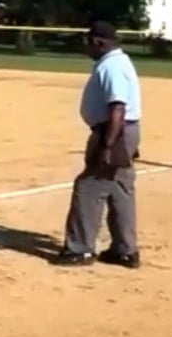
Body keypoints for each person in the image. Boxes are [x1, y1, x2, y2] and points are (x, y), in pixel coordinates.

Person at [53, 21, 142, 268]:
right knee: (120, 188)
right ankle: (125, 250)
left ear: (98, 42)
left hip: (113, 131)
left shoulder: (112, 66)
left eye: (88, 42)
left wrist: (108, 146)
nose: (86, 47)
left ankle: (80, 249)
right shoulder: (118, 62)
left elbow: (118, 107)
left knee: (89, 187)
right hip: (123, 130)